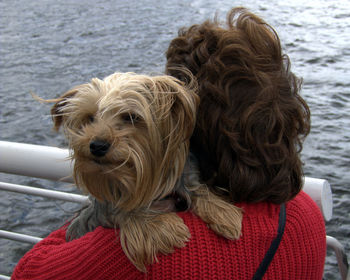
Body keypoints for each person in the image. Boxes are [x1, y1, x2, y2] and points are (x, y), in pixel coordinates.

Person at [12, 7, 326, 280]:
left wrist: (114, 207)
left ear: (181, 127)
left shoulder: (141, 250)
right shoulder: (306, 216)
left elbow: (27, 272)